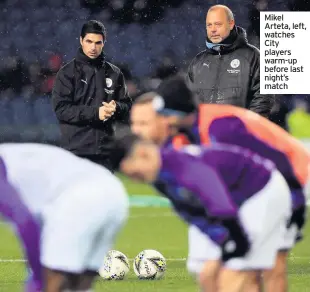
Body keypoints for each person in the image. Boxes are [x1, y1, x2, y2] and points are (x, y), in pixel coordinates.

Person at [130, 76, 309, 292]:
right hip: (260, 186)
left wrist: (296, 204)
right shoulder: (183, 135)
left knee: (272, 265)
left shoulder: (221, 127)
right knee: (246, 267)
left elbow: (275, 160)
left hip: (295, 174)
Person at [112, 133, 291, 292]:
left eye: (136, 175)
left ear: (144, 154)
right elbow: (194, 215)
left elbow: (219, 201)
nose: (136, 181)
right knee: (208, 275)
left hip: (262, 191)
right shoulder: (160, 179)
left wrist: (235, 238)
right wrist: (221, 240)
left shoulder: (182, 166)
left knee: (234, 274)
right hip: (239, 202)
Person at [0, 143, 128, 292]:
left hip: (79, 198)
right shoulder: (11, 154)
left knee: (53, 282)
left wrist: (38, 276)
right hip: (113, 191)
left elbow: (26, 223)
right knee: (78, 285)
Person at [52, 20, 132, 171]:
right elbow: (61, 110)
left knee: (105, 195)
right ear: (81, 40)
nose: (93, 47)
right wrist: (96, 113)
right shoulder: (67, 73)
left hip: (106, 151)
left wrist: (117, 108)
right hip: (76, 151)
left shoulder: (114, 73)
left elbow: (127, 106)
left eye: (98, 43)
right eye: (89, 41)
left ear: (103, 43)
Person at [186, 5, 273, 117]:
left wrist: (245, 126)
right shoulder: (197, 62)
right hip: (205, 132)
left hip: (239, 132)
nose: (213, 29)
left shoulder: (253, 56)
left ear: (231, 24)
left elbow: (263, 98)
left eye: (218, 24)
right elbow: (188, 100)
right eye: (209, 25)